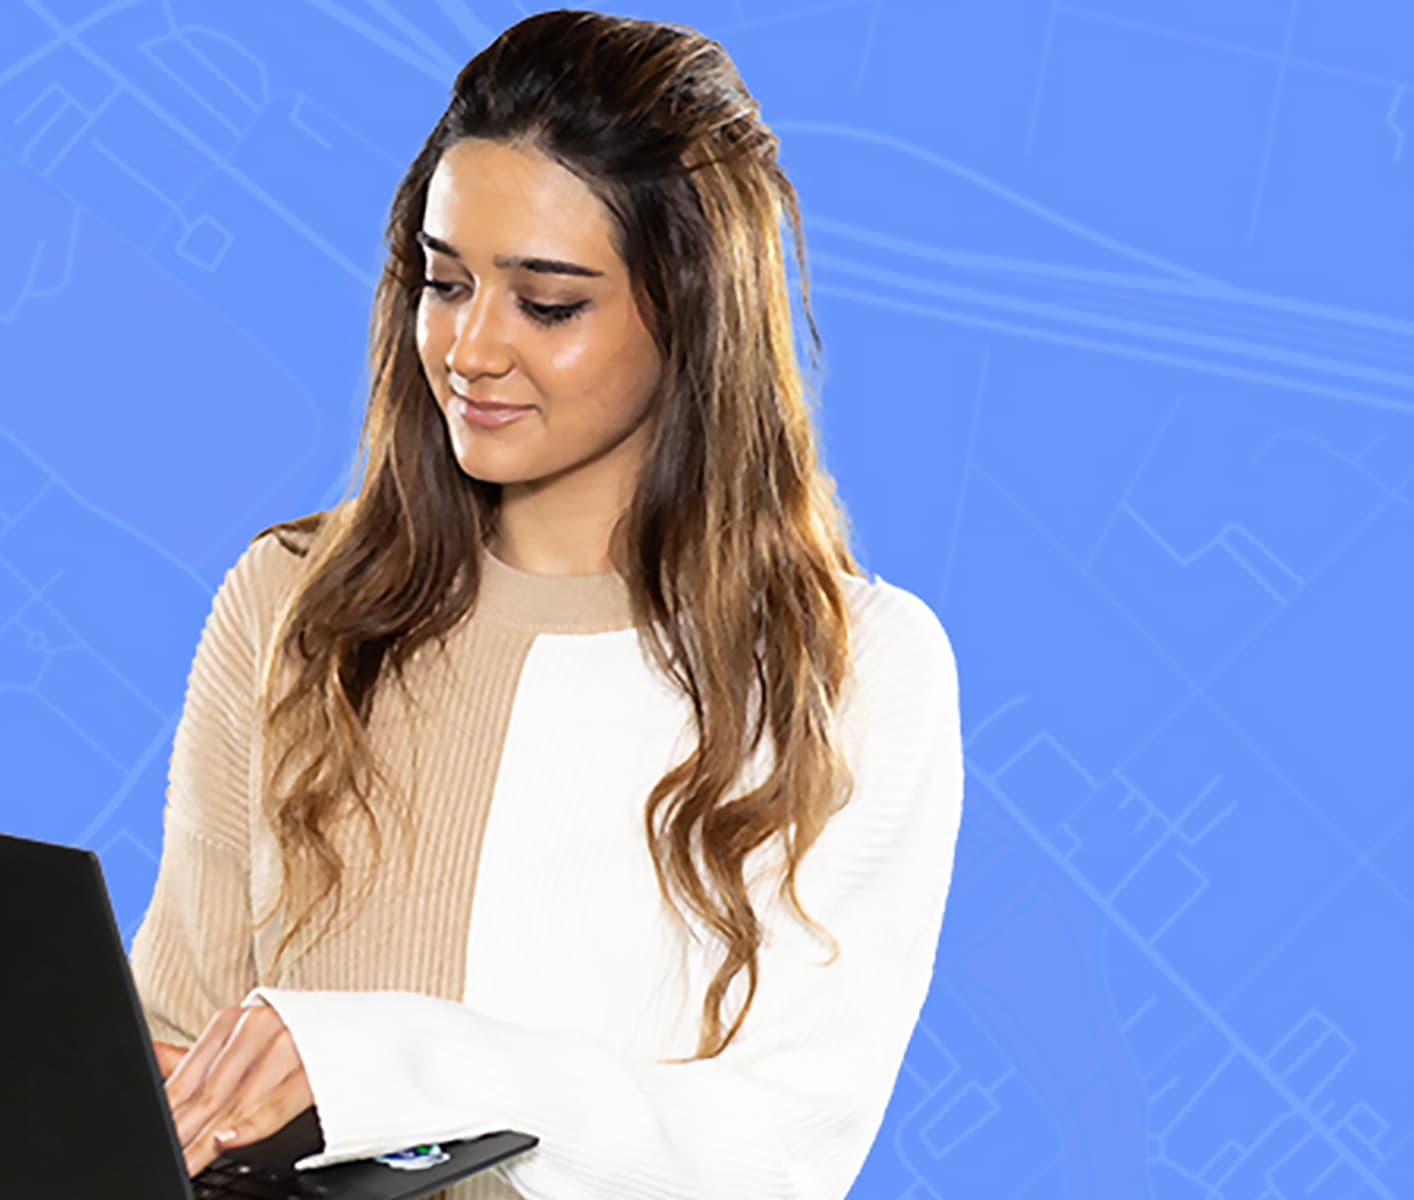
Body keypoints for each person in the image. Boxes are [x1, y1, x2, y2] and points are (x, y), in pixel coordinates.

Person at [130, 8, 965, 1200]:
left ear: (688, 309)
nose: (469, 347)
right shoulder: (289, 603)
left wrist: (387, 1061)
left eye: (548, 303)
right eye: (445, 280)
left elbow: (778, 1153)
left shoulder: (850, 668)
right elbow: (185, 1051)